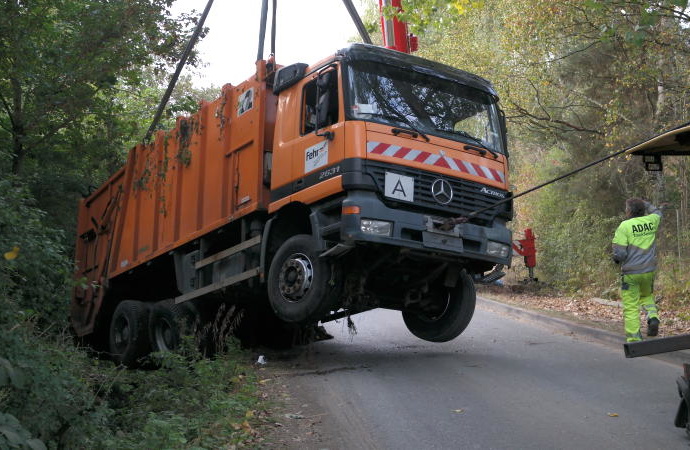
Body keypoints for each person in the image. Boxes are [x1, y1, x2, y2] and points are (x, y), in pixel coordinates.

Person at [612, 198, 662, 342]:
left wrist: (615, 259)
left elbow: (620, 254)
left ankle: (634, 340)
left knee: (631, 306)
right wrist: (645, 203)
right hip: (649, 271)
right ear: (642, 209)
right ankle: (653, 316)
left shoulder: (624, 226)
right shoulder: (651, 221)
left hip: (631, 274)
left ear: (629, 211)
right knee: (646, 295)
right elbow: (658, 212)